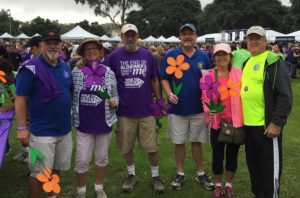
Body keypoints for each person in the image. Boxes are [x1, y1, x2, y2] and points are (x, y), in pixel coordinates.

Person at [104, 24, 164, 193]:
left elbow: (154, 80)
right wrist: (82, 63)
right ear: (122, 37)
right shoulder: (113, 57)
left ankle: (155, 176)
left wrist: (159, 102)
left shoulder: (148, 55)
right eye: (126, 35)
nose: (129, 38)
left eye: (133, 35)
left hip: (147, 110)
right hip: (124, 111)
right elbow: (102, 74)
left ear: (138, 36)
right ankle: (131, 175)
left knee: (152, 147)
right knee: (126, 146)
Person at [15, 31, 73, 198]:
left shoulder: (66, 66)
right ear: (40, 46)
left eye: (56, 43)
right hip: (41, 131)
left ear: (61, 46)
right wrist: (21, 127)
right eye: (48, 43)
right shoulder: (30, 68)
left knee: (56, 168)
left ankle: (52, 196)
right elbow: (20, 99)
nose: (53, 46)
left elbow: (67, 91)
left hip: (64, 130)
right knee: (37, 173)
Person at [160, 23, 214, 191]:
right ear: (180, 37)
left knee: (197, 142)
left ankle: (200, 173)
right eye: (184, 34)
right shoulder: (171, 55)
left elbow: (209, 80)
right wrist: (169, 93)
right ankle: (180, 173)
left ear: (195, 36)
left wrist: (210, 100)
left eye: (190, 34)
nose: (187, 37)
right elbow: (164, 78)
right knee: (179, 142)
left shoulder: (203, 56)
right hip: (177, 109)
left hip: (199, 109)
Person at [241, 26, 292, 198]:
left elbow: (285, 95)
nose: (253, 41)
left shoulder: (273, 61)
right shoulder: (247, 62)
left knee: (269, 169)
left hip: (267, 127)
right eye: (250, 38)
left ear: (265, 41)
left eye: (258, 38)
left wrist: (277, 122)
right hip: (249, 126)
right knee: (254, 167)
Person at [72, 39, 118, 198]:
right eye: (87, 49)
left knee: (102, 158)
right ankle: (81, 191)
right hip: (83, 124)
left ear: (101, 52)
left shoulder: (108, 72)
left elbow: (115, 95)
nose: (91, 51)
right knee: (82, 160)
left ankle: (99, 187)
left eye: (94, 49)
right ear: (83, 54)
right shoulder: (76, 71)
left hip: (103, 123)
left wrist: (114, 102)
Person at [201, 43, 243, 198]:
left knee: (232, 156)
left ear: (230, 57)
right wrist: (208, 109)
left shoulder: (239, 74)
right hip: (217, 124)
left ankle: (229, 186)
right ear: (214, 58)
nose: (221, 58)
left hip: (235, 123)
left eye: (224, 54)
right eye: (218, 55)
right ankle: (218, 186)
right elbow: (204, 96)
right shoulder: (209, 76)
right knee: (217, 155)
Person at [13, 35, 43, 163]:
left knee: (38, 135)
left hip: (42, 108)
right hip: (30, 106)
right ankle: (29, 153)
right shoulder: (28, 66)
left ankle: (31, 155)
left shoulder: (51, 64)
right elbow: (20, 95)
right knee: (29, 131)